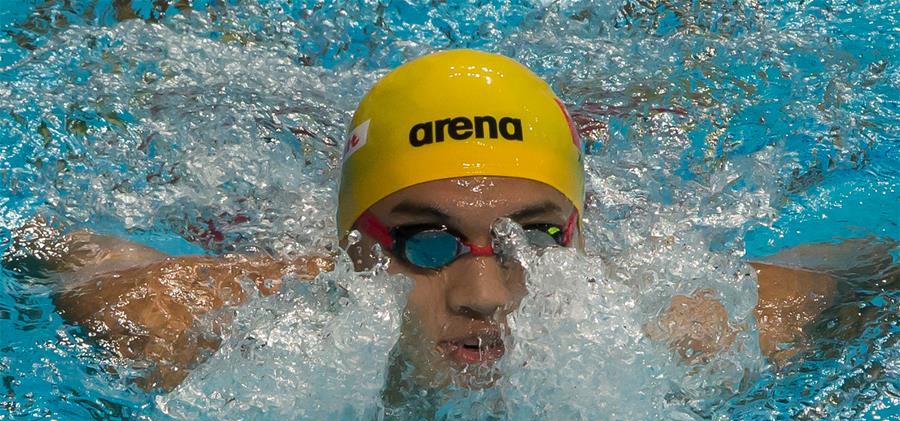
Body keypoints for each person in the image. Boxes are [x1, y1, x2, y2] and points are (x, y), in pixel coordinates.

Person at [6, 49, 842, 393]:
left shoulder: (706, 329)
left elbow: (873, 265)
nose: (487, 295)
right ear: (351, 252)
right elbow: (44, 245)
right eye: (426, 241)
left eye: (532, 235)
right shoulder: (193, 335)